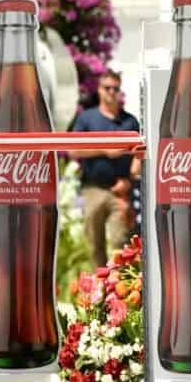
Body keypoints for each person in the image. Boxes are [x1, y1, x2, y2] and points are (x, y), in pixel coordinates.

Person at [68, 69, 142, 269]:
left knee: (120, 242)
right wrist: (104, 150)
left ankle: (120, 289)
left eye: (115, 88)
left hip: (120, 190)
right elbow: (73, 150)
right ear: (99, 90)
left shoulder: (130, 121)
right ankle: (98, 292)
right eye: (107, 88)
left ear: (119, 92)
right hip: (93, 189)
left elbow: (139, 153)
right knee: (95, 245)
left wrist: (130, 178)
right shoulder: (87, 119)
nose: (111, 92)